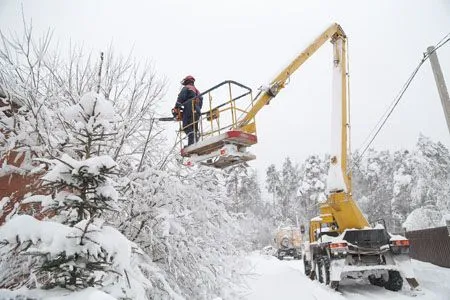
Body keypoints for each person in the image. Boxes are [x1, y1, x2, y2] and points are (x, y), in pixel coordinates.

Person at [174, 75, 203, 146]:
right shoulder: (198, 91)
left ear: (186, 81)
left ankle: (191, 144)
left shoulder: (186, 88)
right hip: (197, 111)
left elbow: (181, 98)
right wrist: (197, 110)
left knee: (186, 126)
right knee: (194, 127)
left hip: (189, 108)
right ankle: (195, 142)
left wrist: (176, 107)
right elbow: (201, 103)